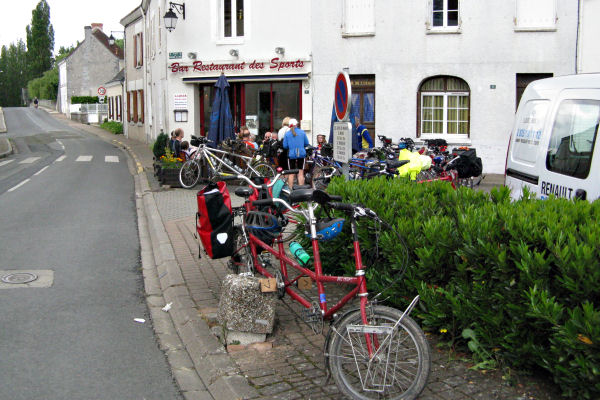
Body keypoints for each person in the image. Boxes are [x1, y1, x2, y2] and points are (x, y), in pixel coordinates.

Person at [283, 118, 309, 188]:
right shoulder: (302, 132)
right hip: (301, 154)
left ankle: (290, 190)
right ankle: (301, 190)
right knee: (300, 173)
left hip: (291, 154)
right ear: (297, 124)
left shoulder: (287, 134)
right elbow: (306, 143)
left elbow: (285, 146)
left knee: (291, 173)